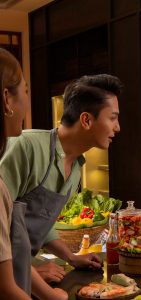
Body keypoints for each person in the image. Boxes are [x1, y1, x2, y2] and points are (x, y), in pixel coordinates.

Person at [0, 72, 122, 295]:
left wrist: (71, 256)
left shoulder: (76, 167)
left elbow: (39, 223)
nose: (117, 127)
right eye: (112, 118)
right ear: (86, 120)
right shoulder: (27, 147)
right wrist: (34, 270)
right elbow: (3, 225)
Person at [0, 48, 68, 299]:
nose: (117, 127)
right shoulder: (27, 147)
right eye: (26, 90)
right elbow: (5, 288)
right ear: (6, 99)